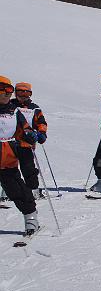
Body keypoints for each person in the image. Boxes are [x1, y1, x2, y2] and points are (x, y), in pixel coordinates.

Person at [0, 75, 39, 235]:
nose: (6, 93)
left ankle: (31, 218)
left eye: (9, 90)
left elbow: (25, 128)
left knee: (15, 188)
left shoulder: (14, 111)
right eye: (3, 90)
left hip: (6, 155)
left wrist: (30, 134)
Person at [11, 82, 48, 200]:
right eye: (20, 93)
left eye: (26, 93)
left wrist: (42, 133)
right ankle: (9, 191)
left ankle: (33, 190)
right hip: (10, 142)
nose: (23, 96)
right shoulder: (10, 105)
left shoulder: (34, 108)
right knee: (9, 168)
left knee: (28, 168)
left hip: (27, 142)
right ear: (15, 93)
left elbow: (41, 122)